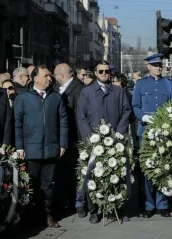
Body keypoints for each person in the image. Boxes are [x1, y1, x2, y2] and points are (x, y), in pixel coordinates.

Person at [76, 60, 132, 223]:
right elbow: (81, 116)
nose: (104, 74)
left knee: (114, 173)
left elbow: (126, 112)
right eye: (101, 71)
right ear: (95, 73)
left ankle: (114, 207)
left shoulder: (118, 92)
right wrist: (90, 138)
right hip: (93, 142)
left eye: (107, 71)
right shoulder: (87, 92)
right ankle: (94, 209)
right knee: (92, 175)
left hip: (114, 140)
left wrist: (119, 133)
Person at [15, 66, 68, 229]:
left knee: (47, 185)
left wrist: (62, 143)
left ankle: (47, 215)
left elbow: (63, 121)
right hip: (31, 150)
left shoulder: (55, 97)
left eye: (50, 76)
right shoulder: (23, 98)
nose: (49, 78)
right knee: (31, 184)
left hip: (51, 148)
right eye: (46, 75)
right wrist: (19, 147)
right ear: (35, 78)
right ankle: (30, 217)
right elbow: (17, 124)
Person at [132, 53, 172, 218]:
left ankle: (162, 204)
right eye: (155, 65)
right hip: (146, 131)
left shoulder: (169, 84)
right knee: (147, 169)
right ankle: (149, 204)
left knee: (164, 167)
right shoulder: (141, 84)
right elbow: (135, 105)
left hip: (164, 131)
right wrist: (144, 117)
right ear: (149, 67)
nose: (159, 68)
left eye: (160, 65)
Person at [53, 63, 85, 214]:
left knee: (74, 172)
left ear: (61, 75)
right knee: (65, 172)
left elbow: (79, 116)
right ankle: (66, 202)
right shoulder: (57, 88)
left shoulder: (78, 88)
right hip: (62, 138)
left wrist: (78, 139)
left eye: (54, 75)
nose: (53, 78)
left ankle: (77, 204)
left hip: (73, 138)